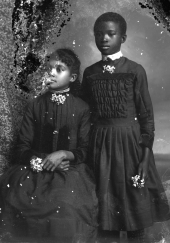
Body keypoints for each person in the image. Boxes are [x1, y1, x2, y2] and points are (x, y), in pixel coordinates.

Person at [81, 12, 170, 243]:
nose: (104, 38)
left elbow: (147, 117)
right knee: (105, 212)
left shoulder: (135, 70)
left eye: (111, 34)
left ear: (123, 37)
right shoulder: (90, 73)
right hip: (100, 147)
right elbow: (86, 115)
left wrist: (145, 156)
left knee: (133, 208)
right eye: (99, 34)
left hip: (131, 147)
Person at [0, 48, 98, 243]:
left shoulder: (82, 108)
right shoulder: (35, 105)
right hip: (34, 170)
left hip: (69, 172)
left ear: (73, 77)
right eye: (49, 68)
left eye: (59, 69)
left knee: (66, 205)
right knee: (16, 198)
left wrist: (63, 154)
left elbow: (84, 150)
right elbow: (22, 147)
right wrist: (41, 161)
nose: (51, 73)